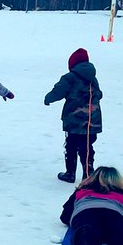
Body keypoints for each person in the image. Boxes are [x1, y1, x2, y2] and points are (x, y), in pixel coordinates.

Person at [45, 47, 103, 183]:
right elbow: (99, 94)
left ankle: (70, 173)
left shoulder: (69, 77)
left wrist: (48, 98)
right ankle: (88, 173)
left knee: (71, 145)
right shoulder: (93, 78)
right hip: (92, 120)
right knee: (87, 145)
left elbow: (58, 91)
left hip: (74, 120)